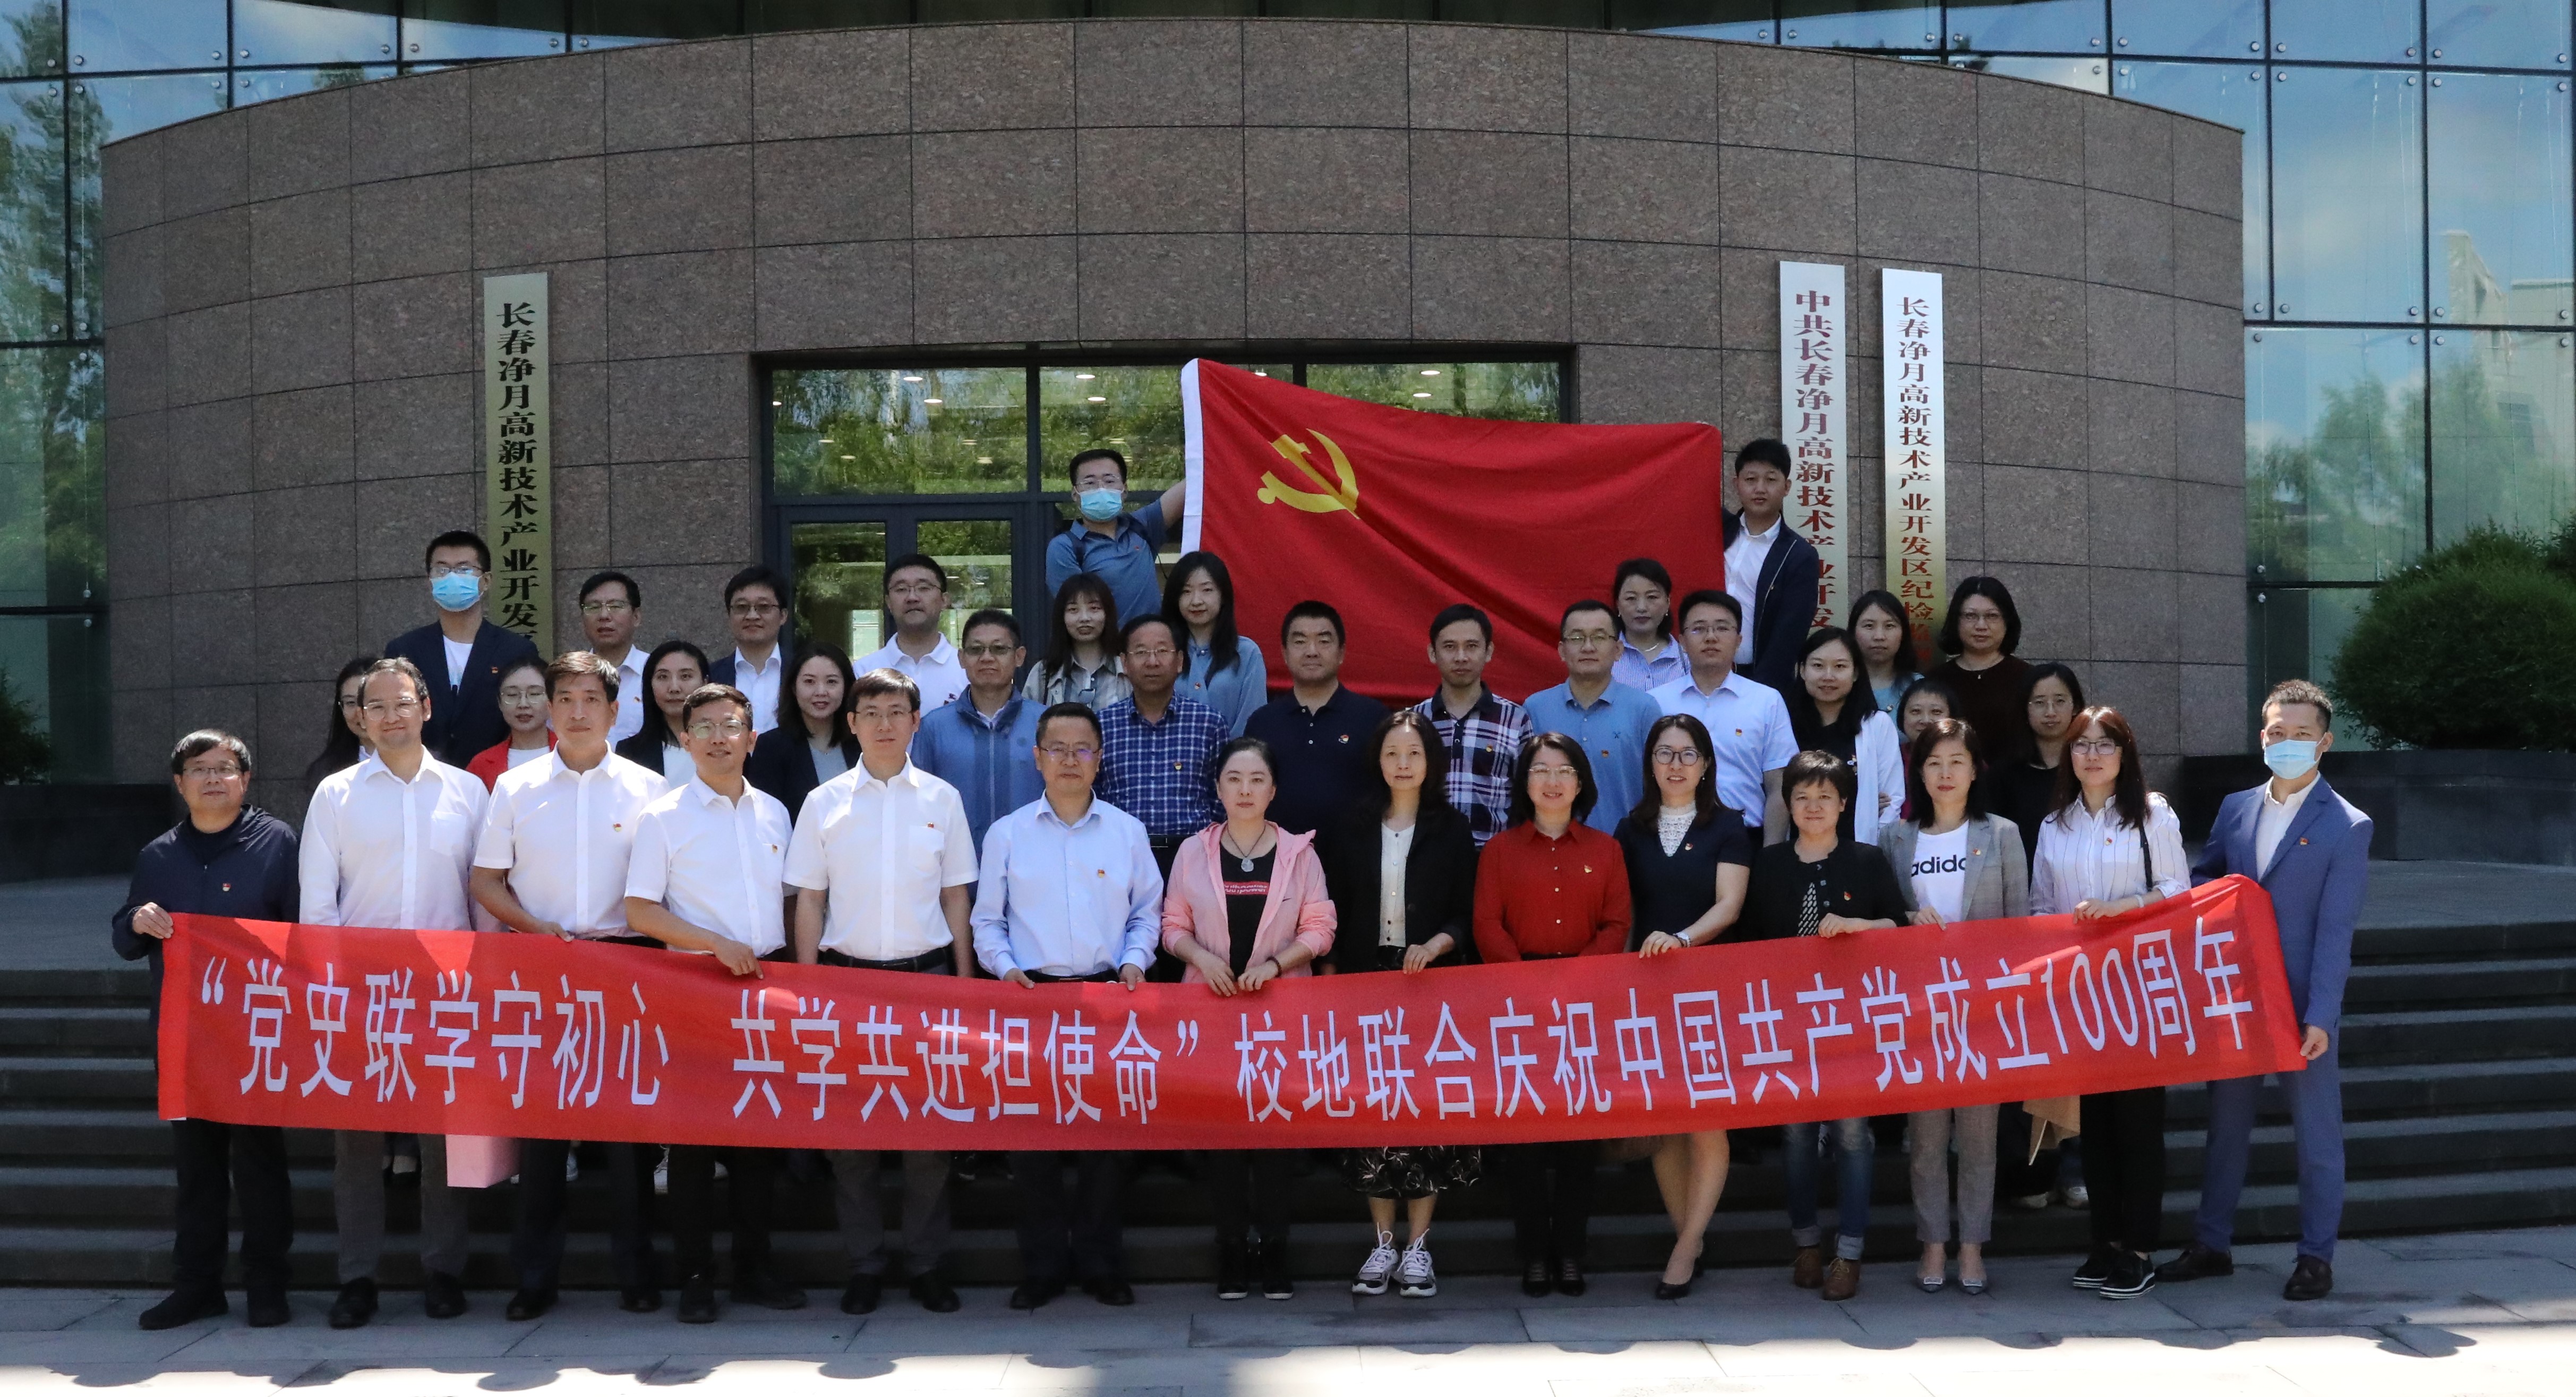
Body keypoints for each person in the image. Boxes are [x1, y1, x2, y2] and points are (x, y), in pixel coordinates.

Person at [468, 652, 669, 1321]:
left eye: (591, 699)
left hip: (628, 964)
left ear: (615, 710)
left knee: (628, 1133)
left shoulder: (649, 788)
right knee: (543, 1132)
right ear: (550, 709)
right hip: (542, 964)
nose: (577, 711)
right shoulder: (514, 787)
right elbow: (486, 880)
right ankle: (534, 1277)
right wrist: (535, 928)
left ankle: (637, 1271)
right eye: (565, 699)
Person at [2164, 680, 2372, 1304]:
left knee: (2317, 1135)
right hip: (2235, 995)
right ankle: (2212, 1243)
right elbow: (2206, 882)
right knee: (2226, 1125)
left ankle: (2316, 1256)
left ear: (2325, 742)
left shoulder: (2347, 825)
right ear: (2262, 736)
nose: (2288, 742)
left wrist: (2322, 1014)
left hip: (2303, 1004)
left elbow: (2336, 929)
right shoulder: (2235, 808)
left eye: (2302, 734)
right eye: (2278, 732)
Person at [298, 657, 487, 1329]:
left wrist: (487, 980)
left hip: (446, 989)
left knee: (443, 1140)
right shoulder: (336, 793)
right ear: (359, 718)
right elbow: (318, 901)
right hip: (362, 991)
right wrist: (328, 988)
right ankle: (357, 1277)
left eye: (402, 702)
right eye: (374, 706)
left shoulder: (468, 791)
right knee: (357, 1144)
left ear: (426, 707)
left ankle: (444, 1270)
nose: (389, 716)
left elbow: (484, 895)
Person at [786, 668, 978, 1317]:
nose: (885, 723)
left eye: (897, 711)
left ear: (916, 721)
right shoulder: (824, 802)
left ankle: (926, 1263)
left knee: (929, 1136)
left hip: (928, 982)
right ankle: (865, 1262)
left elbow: (956, 895)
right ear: (852, 723)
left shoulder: (943, 799)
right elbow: (809, 899)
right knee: (852, 1137)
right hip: (847, 982)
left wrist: (965, 983)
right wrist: (808, 986)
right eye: (872, 712)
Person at [623, 683, 807, 1323]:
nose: (719, 737)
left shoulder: (776, 812)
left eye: (730, 725)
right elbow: (640, 909)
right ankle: (696, 1275)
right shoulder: (663, 816)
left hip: (765, 991)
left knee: (759, 1140)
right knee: (695, 1146)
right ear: (685, 740)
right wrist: (713, 943)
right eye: (703, 727)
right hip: (694, 991)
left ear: (752, 738)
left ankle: (754, 1266)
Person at [970, 702, 1162, 1310]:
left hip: (1107, 996)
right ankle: (1044, 1266)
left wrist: (1135, 959)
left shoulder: (1127, 831)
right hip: (1031, 1000)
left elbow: (1147, 912)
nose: (1070, 759)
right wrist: (1005, 967)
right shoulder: (1007, 833)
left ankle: (1102, 1264)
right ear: (1038, 757)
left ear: (1100, 758)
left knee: (1108, 1143)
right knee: (1033, 1144)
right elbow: (987, 921)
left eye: (1083, 748)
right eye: (1057, 748)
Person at [115, 730, 300, 1331]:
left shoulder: (277, 842)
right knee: (196, 1168)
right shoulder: (158, 854)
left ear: (246, 780)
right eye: (199, 769)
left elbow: (303, 930)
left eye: (225, 768)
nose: (213, 778)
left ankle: (267, 1286)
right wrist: (138, 919)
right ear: (180, 783)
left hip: (257, 1032)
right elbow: (123, 937)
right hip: (186, 1035)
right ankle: (197, 1286)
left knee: (260, 1163)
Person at [1161, 738, 1337, 1301]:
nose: (1244, 790)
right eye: (1234, 779)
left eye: (1257, 779)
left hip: (1277, 1014)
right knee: (1225, 1141)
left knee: (1276, 1139)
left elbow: (1320, 927)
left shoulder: (1300, 854)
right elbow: (1172, 924)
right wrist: (1201, 957)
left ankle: (1275, 1249)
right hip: (1211, 1012)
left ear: (1273, 789)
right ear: (1218, 787)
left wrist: (1276, 964)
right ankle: (1232, 1248)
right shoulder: (1193, 851)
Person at [1734, 750, 1908, 1301]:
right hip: (1788, 1022)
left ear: (1844, 803)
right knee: (1796, 1134)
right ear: (1787, 804)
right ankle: (1806, 1243)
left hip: (1852, 1021)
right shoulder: (1768, 865)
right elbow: (1749, 946)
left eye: (1825, 797)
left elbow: (1900, 927)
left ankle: (1848, 1253)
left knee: (1853, 1134)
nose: (1813, 807)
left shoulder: (1867, 860)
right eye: (1802, 797)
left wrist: (1860, 925)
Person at [2028, 705, 2188, 1302]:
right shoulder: (2055, 824)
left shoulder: (2152, 814)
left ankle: (2138, 1249)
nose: (2092, 755)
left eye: (2104, 744)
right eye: (2081, 745)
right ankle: (2105, 1241)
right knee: (2093, 1126)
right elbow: (2040, 904)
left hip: (2139, 987)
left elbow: (2178, 891)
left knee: (2138, 1124)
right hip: (2081, 993)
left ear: (2125, 752)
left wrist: (2123, 908)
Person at [1319, 709, 1478, 1298]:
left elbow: (1465, 911)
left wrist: (1438, 944)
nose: (1403, 764)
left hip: (1428, 983)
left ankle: (1418, 1247)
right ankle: (1382, 1243)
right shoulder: (1353, 825)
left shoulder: (1452, 828)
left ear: (1431, 762)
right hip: (1365, 981)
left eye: (1414, 753)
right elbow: (1334, 905)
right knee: (1373, 1114)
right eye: (1392, 753)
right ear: (1378, 761)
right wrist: (1333, 974)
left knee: (1424, 1115)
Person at [1474, 733, 1631, 1299]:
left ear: (1581, 782)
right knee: (1523, 1140)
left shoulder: (1606, 850)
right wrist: (1527, 983)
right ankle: (1533, 1255)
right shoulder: (1499, 851)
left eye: (1564, 771)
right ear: (1524, 782)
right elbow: (1487, 923)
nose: (1553, 781)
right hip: (1518, 1005)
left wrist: (1574, 982)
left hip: (1584, 1003)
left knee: (1577, 1142)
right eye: (1540, 770)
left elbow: (1617, 924)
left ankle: (1570, 1253)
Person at [1877, 718, 2028, 1297]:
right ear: (1919, 772)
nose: (1945, 773)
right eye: (1934, 763)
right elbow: (1882, 917)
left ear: (1974, 770)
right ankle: (1933, 1242)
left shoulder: (2002, 834)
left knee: (1979, 1136)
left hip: (1981, 1007)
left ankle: (1972, 1246)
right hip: (1919, 1008)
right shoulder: (1896, 838)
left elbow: (2019, 925)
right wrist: (1905, 918)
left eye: (1956, 762)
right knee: (1926, 1138)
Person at [1614, 714, 1752, 1300]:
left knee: (1707, 1119)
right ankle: (1688, 1238)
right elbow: (1622, 913)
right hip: (1646, 994)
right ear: (1649, 763)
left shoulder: (1728, 825)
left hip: (1708, 990)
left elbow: (1729, 906)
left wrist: (1682, 939)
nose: (1676, 764)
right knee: (1665, 1121)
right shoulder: (1630, 829)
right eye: (1665, 753)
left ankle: (1685, 1246)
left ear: (1706, 764)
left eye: (1688, 754)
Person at [383, 529, 541, 765]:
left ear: (486, 581)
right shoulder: (405, 650)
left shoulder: (516, 651)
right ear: (430, 582)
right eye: (442, 570)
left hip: (496, 775)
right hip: (422, 776)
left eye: (464, 569)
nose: (452, 578)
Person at [1649, 591, 1794, 842]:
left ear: (1739, 640)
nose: (1711, 637)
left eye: (1722, 628)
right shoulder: (1655, 702)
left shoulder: (1766, 701)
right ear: (1682, 641)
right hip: (1671, 836)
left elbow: (1779, 786)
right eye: (1699, 629)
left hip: (1747, 835)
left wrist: (1772, 854)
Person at [1096, 614, 1229, 874]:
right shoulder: (1102, 726)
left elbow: (1221, 798)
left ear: (1179, 661)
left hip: (1195, 859)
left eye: (1162, 651)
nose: (1152, 661)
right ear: (1124, 663)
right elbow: (1094, 795)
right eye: (1141, 652)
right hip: (1121, 858)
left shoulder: (1209, 724)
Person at [1244, 601, 1389, 835]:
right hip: (1278, 855)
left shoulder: (1374, 718)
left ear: (1341, 652)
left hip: (1355, 854)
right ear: (1284, 653)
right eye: (1300, 642)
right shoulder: (1262, 723)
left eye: (1324, 641)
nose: (1312, 651)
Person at [1525, 600, 1663, 835]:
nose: (1588, 647)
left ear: (1618, 650)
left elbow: (1660, 787)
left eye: (1599, 637)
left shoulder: (1643, 709)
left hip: (1626, 845)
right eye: (1577, 638)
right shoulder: (1535, 708)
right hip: (1550, 845)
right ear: (1562, 650)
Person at [912, 608, 1043, 850]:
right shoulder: (933, 727)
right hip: (955, 866)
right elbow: (918, 807)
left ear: (1019, 656)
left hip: (1030, 862)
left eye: (999, 649)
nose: (987, 658)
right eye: (976, 650)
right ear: (962, 658)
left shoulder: (1045, 724)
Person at [1411, 603, 1531, 847]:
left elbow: (1528, 798)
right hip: (1425, 856)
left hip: (1493, 856)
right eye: (1449, 647)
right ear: (1432, 653)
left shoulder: (1515, 719)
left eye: (1472, 646)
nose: (1461, 657)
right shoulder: (1413, 721)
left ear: (1489, 651)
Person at [1720, 439, 1822, 695]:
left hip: (1756, 680)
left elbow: (1788, 637)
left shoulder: (1799, 555)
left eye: (1771, 480)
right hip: (1700, 673)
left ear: (1787, 487)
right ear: (1736, 484)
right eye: (1751, 479)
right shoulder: (1716, 530)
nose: (1760, 489)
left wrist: (1759, 694)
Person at [1044, 446, 1185, 632]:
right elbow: (1075, 614)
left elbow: (1195, 483)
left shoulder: (1142, 526)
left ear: (1124, 490)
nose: (1101, 489)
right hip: (1107, 648)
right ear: (1075, 495)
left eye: (1110, 481)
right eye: (1090, 483)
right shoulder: (1065, 547)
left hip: (1152, 645)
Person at [1786, 628, 1904, 844]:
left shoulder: (1877, 724)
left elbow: (1892, 799)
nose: (1828, 676)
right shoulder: (1784, 723)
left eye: (1840, 667)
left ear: (1856, 672)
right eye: (1818, 666)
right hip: (1795, 850)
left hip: (1859, 851)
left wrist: (1874, 851)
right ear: (1802, 670)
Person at [746, 642, 862, 822]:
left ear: (847, 687)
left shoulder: (862, 742)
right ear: (794, 687)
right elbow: (765, 819)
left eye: (831, 682)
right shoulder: (771, 747)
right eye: (809, 682)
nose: (821, 692)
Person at [1927, 576, 2034, 761]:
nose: (1981, 626)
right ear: (1956, 620)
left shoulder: (2029, 679)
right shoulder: (1935, 681)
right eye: (1971, 616)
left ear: (2007, 622)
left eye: (1992, 616)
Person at [1991, 662, 2087, 864]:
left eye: (2060, 701)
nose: (2050, 712)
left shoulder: (2090, 769)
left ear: (2076, 707)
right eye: (2040, 702)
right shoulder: (2003, 776)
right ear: (2025, 709)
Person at [1166, 550, 1269, 736]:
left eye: (1207, 590)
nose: (1196, 601)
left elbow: (1253, 722)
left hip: (1235, 754)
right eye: (1186, 592)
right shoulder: (1164, 652)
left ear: (1223, 596)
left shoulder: (1247, 653)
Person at [857, 553, 968, 713]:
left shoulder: (967, 670)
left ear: (944, 600)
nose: (912, 597)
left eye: (924, 588)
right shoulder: (864, 671)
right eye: (901, 589)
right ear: (888, 603)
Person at [1025, 573, 1131, 709]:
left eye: (1094, 608)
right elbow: (1029, 719)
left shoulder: (1128, 669)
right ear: (1062, 616)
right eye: (1073, 610)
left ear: (1107, 614)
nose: (1084, 618)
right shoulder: (1043, 673)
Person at [707, 566, 789, 735]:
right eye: (742, 607)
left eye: (764, 607)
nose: (752, 616)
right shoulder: (711, 677)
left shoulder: (802, 673)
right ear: (729, 616)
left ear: (783, 616)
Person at [615, 640, 709, 786]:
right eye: (663, 677)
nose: (674, 688)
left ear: (705, 683)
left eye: (685, 676)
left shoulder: (724, 745)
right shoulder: (630, 753)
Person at [577, 569, 649, 744]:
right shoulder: (569, 677)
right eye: (593, 608)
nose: (604, 616)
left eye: (616, 606)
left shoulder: (656, 672)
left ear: (636, 617)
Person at [465, 656, 556, 790]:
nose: (523, 704)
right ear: (499, 702)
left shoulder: (573, 756)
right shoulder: (481, 765)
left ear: (552, 700)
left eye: (535, 694)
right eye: (512, 695)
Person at [1611, 557, 1688, 692]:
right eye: (1631, 598)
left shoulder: (1687, 657)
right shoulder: (1606, 657)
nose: (1642, 608)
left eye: (1652, 597)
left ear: (1668, 602)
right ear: (1618, 604)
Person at [305, 654, 378, 787]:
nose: (360, 712)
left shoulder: (417, 764)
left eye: (371, 702)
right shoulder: (326, 774)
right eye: (351, 703)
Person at [1849, 589, 1923, 714]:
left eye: (1889, 626)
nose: (1879, 636)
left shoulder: (1919, 687)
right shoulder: (1837, 685)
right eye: (1869, 626)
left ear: (1903, 633)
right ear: (1853, 632)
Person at [1896, 675, 1960, 746]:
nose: (1926, 721)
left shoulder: (1964, 752)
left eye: (1936, 711)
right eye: (1916, 711)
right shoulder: (1891, 752)